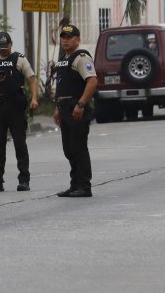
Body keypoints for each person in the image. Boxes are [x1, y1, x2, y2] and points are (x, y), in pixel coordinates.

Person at [0, 31, 39, 192]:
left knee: (20, 144)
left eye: (6, 47)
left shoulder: (19, 59)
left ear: (11, 44)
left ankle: (24, 180)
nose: (3, 50)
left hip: (15, 109)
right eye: (0, 48)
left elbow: (32, 79)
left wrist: (34, 98)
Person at [52, 23, 98, 198]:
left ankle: (84, 186)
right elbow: (63, 86)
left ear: (77, 39)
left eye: (69, 37)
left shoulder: (81, 57)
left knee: (79, 148)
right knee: (69, 149)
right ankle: (74, 184)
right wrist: (57, 109)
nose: (65, 40)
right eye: (63, 37)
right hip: (64, 108)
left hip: (76, 108)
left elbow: (92, 81)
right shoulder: (64, 59)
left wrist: (81, 104)